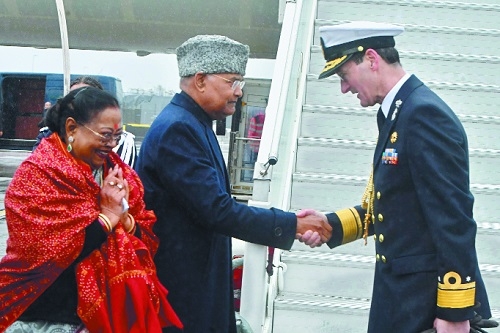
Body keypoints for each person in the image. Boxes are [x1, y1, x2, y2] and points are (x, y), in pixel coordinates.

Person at [298, 21, 497, 333]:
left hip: (424, 306)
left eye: (343, 75)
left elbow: (453, 219)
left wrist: (455, 312)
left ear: (372, 60)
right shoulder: (399, 113)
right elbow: (396, 206)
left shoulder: (422, 115)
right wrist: (330, 225)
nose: (344, 88)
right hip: (403, 300)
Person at [135, 34, 332, 333]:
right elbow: (217, 211)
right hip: (181, 300)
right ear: (200, 80)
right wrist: (293, 224)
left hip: (191, 294)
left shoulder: (192, 123)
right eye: (233, 82)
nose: (239, 92)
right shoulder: (179, 129)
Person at [0, 87, 182, 332]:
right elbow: (46, 253)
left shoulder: (119, 174)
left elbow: (146, 238)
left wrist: (125, 219)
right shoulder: (37, 175)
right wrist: (107, 217)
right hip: (43, 310)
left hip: (111, 312)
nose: (111, 145)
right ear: (72, 128)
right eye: (105, 135)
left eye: (117, 136)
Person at [33, 76, 138, 169]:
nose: (112, 143)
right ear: (71, 128)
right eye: (72, 97)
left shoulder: (124, 143)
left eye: (86, 98)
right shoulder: (48, 139)